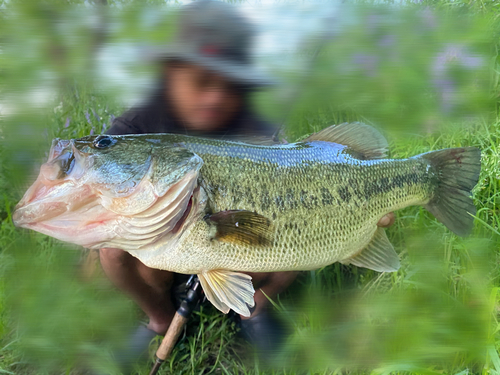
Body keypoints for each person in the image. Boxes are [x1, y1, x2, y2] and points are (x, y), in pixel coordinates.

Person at [99, 0, 395, 368]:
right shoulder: (136, 123)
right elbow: (100, 173)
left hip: (235, 232)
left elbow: (295, 174)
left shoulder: (255, 118)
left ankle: (255, 307)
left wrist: (364, 203)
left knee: (301, 231)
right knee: (111, 251)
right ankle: (159, 316)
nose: (215, 94)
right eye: (200, 78)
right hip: (164, 237)